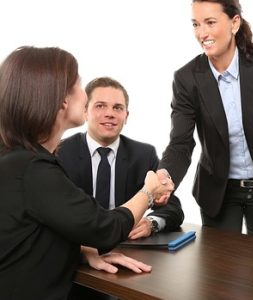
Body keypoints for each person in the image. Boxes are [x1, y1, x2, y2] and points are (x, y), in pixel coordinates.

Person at [0, 46, 173, 299]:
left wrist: (82, 252)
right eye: (79, 85)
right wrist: (148, 192)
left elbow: (32, 236)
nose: (85, 96)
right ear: (61, 99)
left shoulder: (17, 159)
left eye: (117, 107)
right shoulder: (33, 169)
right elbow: (105, 229)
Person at [158, 0, 253, 238]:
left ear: (234, 23)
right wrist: (164, 177)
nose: (201, 33)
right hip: (218, 191)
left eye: (210, 22)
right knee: (220, 268)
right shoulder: (187, 78)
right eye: (196, 24)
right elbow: (181, 142)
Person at [57, 76, 184, 239]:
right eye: (100, 106)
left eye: (117, 108)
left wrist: (151, 223)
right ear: (85, 111)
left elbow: (173, 208)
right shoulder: (60, 152)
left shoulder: (143, 155)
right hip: (77, 245)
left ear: (126, 116)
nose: (110, 114)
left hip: (126, 245)